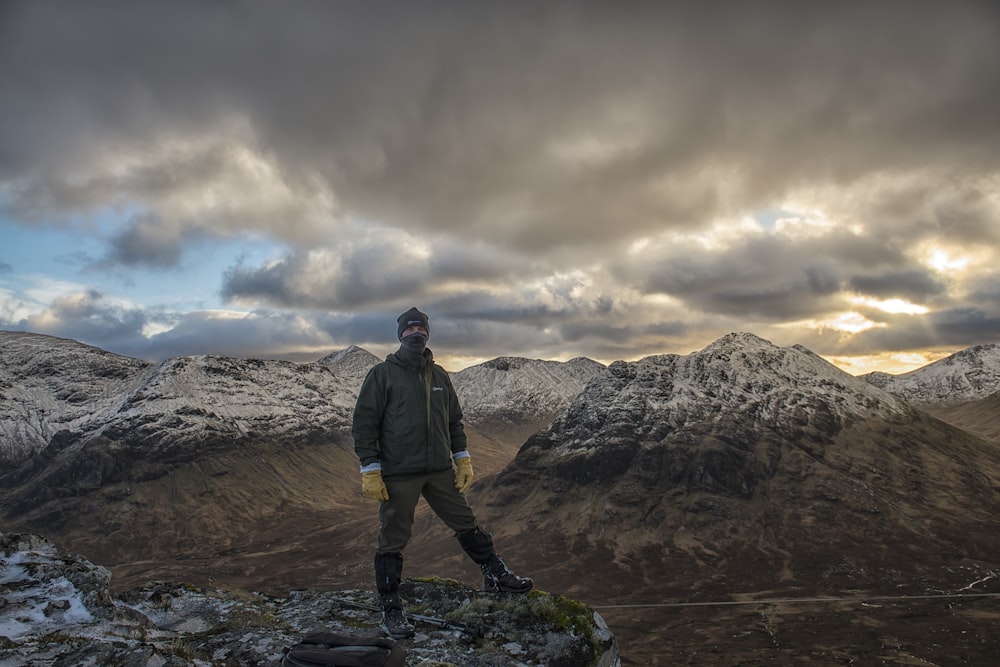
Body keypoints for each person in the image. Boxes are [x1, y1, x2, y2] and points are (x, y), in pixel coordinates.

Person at [351, 306, 533, 639]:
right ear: (399, 335)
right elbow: (364, 423)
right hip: (399, 472)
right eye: (408, 330)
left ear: (428, 334)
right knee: (393, 535)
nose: (415, 335)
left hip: (438, 470)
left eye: (420, 329)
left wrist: (462, 458)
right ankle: (390, 607)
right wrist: (370, 468)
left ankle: (496, 574)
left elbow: (453, 422)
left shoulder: (440, 377)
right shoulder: (382, 375)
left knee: (465, 521)